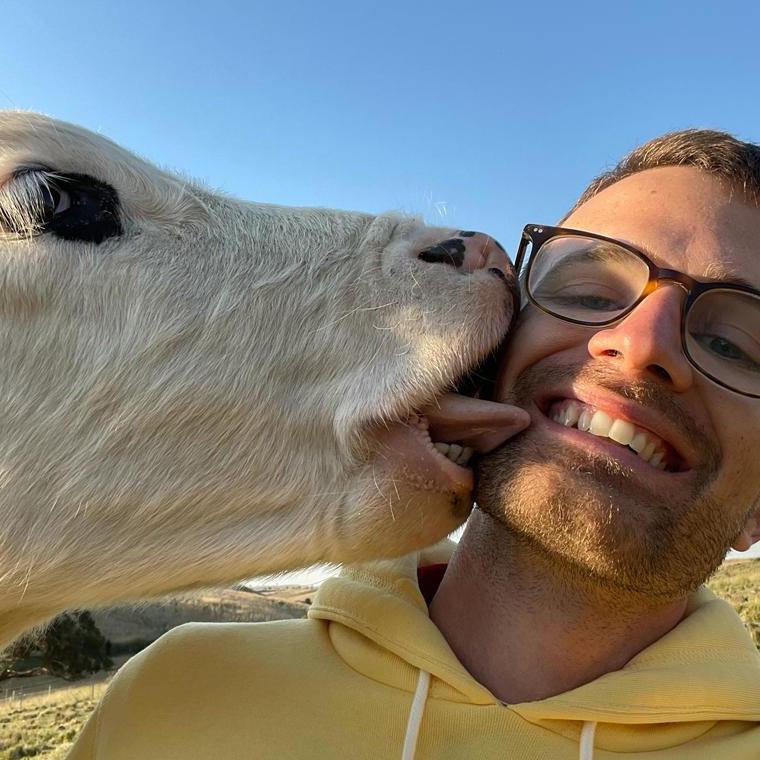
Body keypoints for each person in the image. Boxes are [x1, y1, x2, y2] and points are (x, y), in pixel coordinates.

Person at [68, 130, 760, 759]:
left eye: (736, 343)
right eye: (585, 288)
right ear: (495, 345)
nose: (638, 344)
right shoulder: (169, 700)